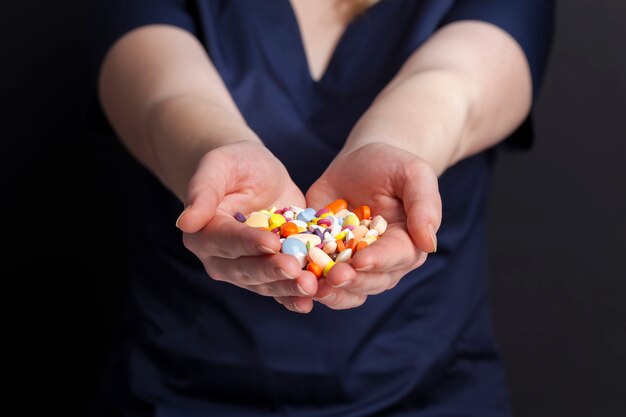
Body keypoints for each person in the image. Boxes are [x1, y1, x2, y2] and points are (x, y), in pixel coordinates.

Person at [88, 0, 554, 415]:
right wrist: (216, 150)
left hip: (428, 393)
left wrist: (393, 143)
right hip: (178, 390)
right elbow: (162, 97)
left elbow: (457, 87)